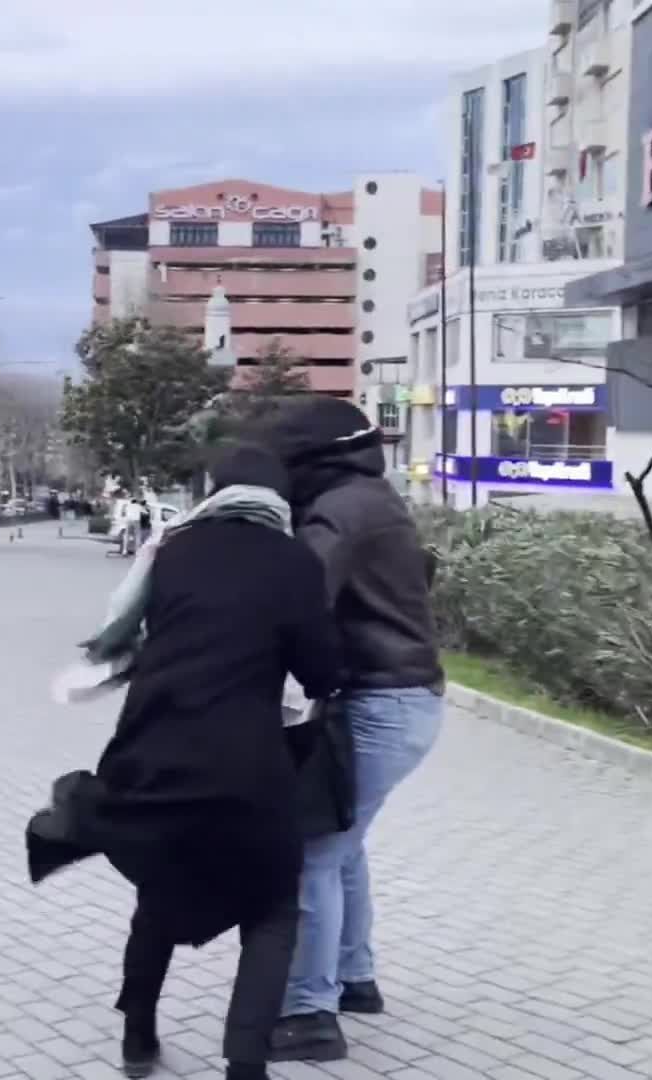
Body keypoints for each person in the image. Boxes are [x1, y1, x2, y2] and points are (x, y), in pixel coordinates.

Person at [26, 445, 344, 1080]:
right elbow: (320, 673)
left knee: (159, 896)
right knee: (273, 906)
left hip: (151, 756)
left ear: (214, 492)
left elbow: (128, 630)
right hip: (247, 768)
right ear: (281, 502)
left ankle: (138, 1040)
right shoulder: (295, 561)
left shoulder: (174, 549)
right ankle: (245, 1064)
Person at [259, 396, 444, 1063]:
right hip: (403, 700)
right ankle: (354, 978)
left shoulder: (340, 507)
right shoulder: (371, 495)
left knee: (311, 855)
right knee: (343, 844)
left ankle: (309, 1014)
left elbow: (296, 596)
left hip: (380, 704)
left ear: (309, 460)